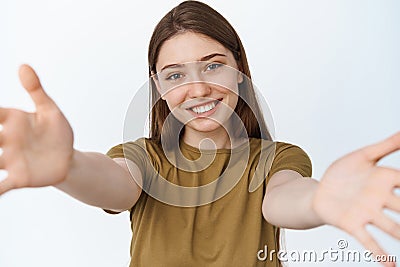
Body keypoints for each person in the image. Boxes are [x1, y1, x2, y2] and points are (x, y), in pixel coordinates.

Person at [0, 1, 398, 266]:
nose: (198, 88)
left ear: (239, 70)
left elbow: (283, 198)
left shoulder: (277, 159)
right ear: (158, 87)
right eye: (175, 75)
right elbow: (112, 183)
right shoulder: (143, 159)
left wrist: (319, 199)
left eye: (213, 65)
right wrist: (69, 166)